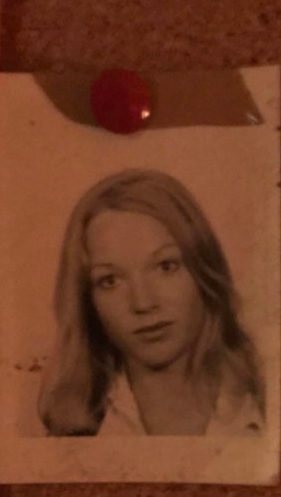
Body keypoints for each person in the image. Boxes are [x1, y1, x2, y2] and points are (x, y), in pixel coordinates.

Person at [38, 169, 264, 437]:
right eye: (110, 281)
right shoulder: (72, 428)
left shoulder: (265, 399)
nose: (143, 303)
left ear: (204, 269)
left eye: (166, 266)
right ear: (88, 301)